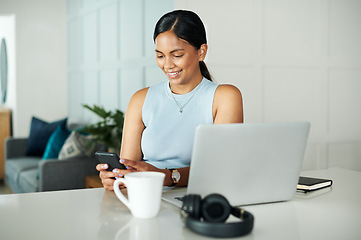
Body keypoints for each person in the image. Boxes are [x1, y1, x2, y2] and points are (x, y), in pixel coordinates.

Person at [96, 10, 243, 191]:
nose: (167, 64)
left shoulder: (225, 97)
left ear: (201, 52)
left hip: (197, 199)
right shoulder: (140, 99)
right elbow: (130, 166)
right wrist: (117, 177)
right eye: (160, 55)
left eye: (177, 55)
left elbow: (219, 169)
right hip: (144, 198)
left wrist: (166, 176)